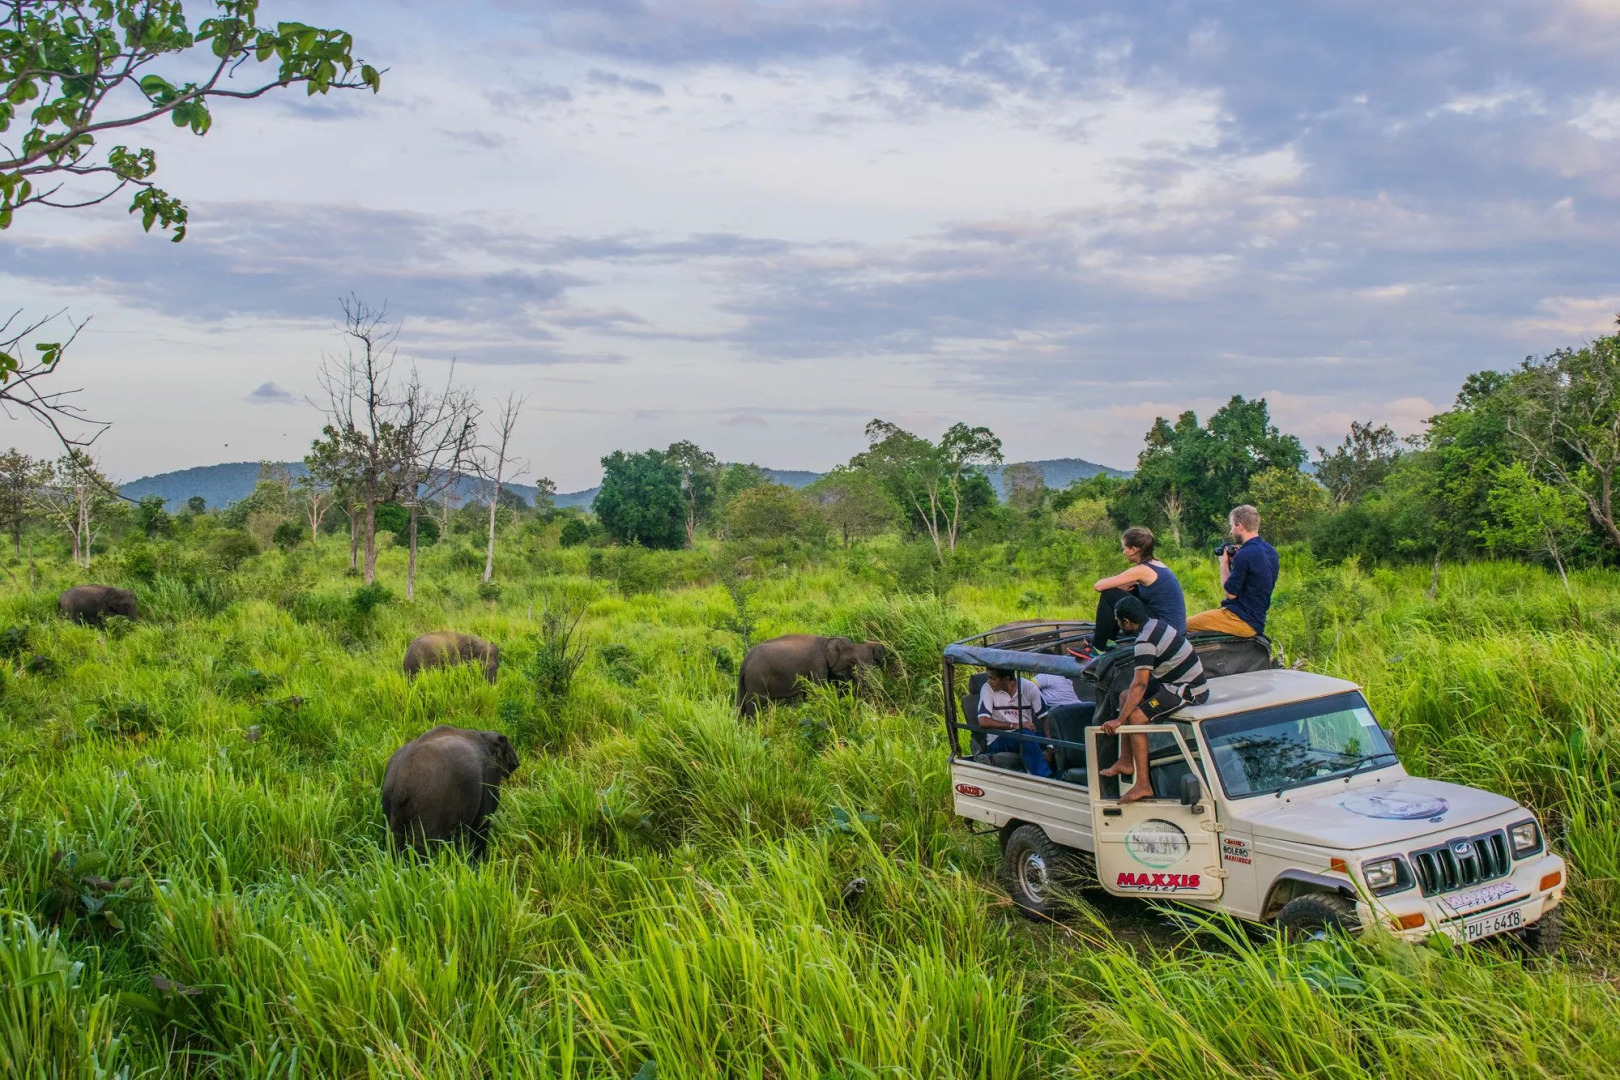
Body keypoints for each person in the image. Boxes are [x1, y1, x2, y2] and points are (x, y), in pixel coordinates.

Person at [1099, 595, 1209, 803]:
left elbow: (1140, 685)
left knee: (1137, 718)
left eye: (1118, 621)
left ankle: (1143, 785)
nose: (1118, 625)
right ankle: (1125, 760)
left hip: (1187, 689)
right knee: (1124, 697)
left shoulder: (1144, 642)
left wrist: (1119, 721)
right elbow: (1135, 687)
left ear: (1127, 622)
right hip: (1171, 680)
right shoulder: (1155, 624)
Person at [1085, 526, 1187, 652]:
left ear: (1133, 550)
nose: (1123, 552)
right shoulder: (1156, 564)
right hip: (1173, 627)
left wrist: (1117, 588)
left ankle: (1098, 647)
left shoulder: (1142, 570)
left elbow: (1099, 586)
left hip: (1166, 630)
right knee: (1130, 590)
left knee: (1109, 593)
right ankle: (1109, 640)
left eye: (1124, 548)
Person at [1186, 504, 1278, 638]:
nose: (1231, 531)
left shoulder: (1244, 554)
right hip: (1258, 619)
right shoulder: (1271, 551)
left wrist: (1223, 564)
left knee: (1183, 625)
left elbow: (1230, 594)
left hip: (1240, 618)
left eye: (1232, 526)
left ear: (1239, 526)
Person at [976, 667, 1054, 778]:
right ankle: (1045, 778)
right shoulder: (987, 688)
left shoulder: (1029, 687)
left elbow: (1045, 718)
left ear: (1006, 679)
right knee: (1025, 736)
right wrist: (1016, 725)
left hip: (1026, 733)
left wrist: (1050, 747)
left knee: (1057, 738)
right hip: (1000, 738)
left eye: (992, 678)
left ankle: (1066, 776)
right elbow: (983, 721)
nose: (989, 681)